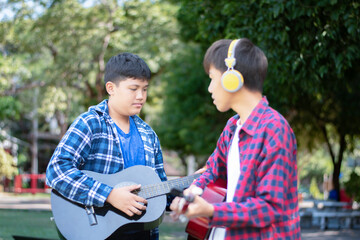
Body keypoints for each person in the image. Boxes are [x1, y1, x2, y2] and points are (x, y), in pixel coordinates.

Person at [170, 38, 300, 239]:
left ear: (232, 79)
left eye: (212, 78)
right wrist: (193, 191)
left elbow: (270, 207)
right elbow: (212, 170)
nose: (210, 88)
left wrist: (211, 211)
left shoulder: (274, 129)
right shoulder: (232, 127)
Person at [46, 52, 169, 240]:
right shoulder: (90, 123)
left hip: (143, 234)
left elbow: (161, 189)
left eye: (145, 89)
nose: (141, 96)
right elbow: (57, 170)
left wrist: (194, 185)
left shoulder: (149, 135)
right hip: (97, 232)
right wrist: (108, 195)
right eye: (133, 89)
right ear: (111, 88)